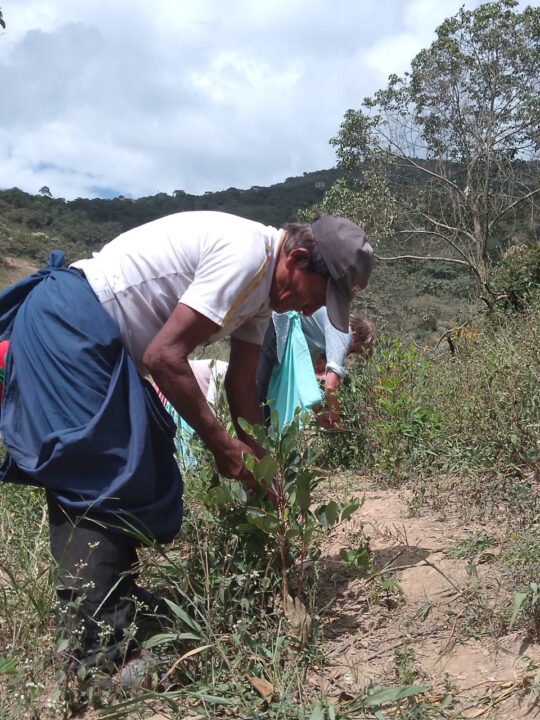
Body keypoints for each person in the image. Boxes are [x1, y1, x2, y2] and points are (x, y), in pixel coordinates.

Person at [0, 210, 373, 675]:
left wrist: (258, 460)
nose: (306, 311)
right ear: (296, 258)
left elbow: (240, 385)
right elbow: (164, 356)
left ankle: (117, 605)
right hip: (70, 321)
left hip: (101, 339)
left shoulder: (264, 297)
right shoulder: (245, 256)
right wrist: (220, 445)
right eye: (313, 297)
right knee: (103, 472)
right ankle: (93, 656)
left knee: (149, 457)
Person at [257, 308, 375, 428]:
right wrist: (335, 419)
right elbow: (331, 386)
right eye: (353, 350)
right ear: (355, 335)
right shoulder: (344, 331)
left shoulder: (317, 340)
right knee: (257, 391)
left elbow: (303, 379)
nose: (348, 354)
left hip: (277, 328)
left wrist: (320, 411)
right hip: (275, 323)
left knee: (264, 403)